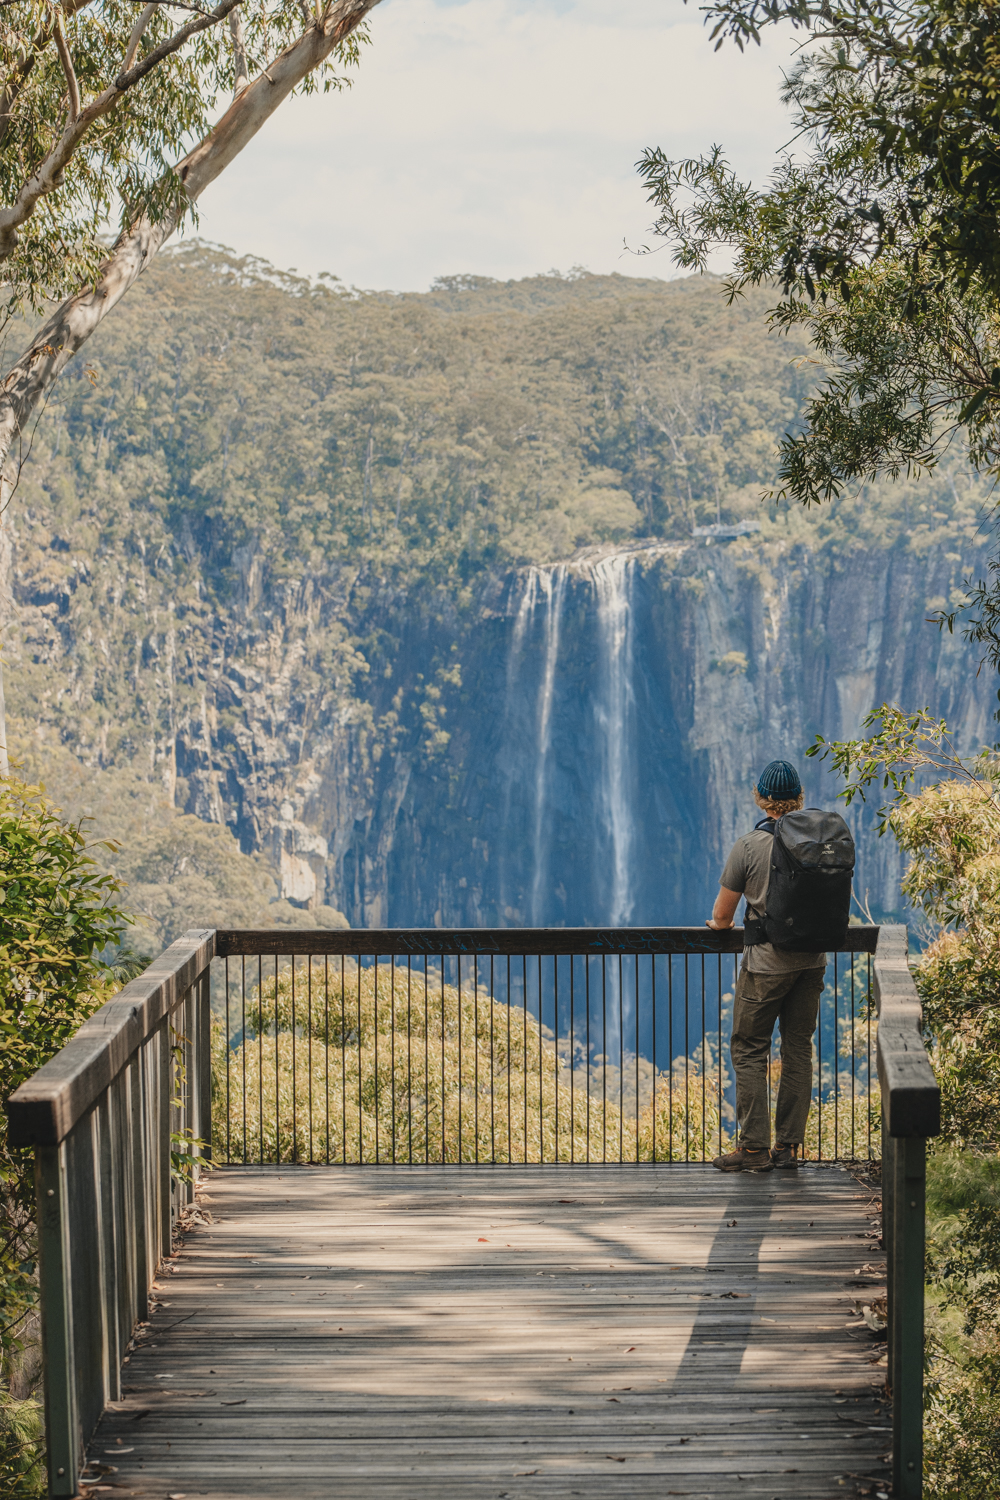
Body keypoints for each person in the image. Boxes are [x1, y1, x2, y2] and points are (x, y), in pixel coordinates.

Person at [706, 759, 826, 1173]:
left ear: (762, 800)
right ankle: (788, 1148)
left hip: (766, 965)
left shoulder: (748, 847)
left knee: (750, 1047)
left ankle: (754, 1150)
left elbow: (723, 916)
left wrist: (719, 926)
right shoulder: (819, 843)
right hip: (812, 962)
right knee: (798, 1049)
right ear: (799, 800)